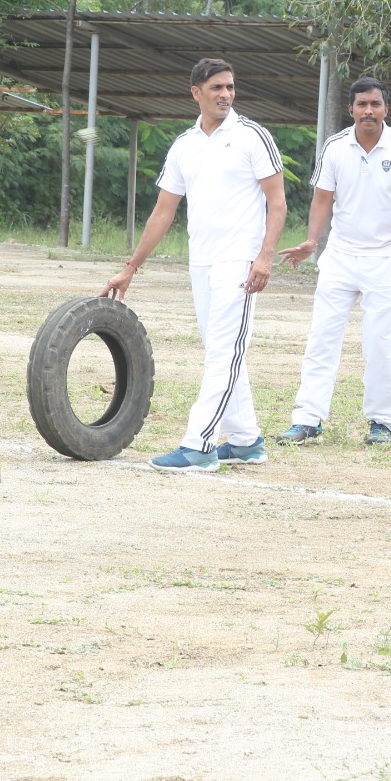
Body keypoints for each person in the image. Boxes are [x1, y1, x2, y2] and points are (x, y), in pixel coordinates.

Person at [101, 58, 287, 472]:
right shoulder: (184, 145)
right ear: (196, 93)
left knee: (222, 353)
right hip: (201, 262)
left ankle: (199, 446)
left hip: (240, 262)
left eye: (230, 87)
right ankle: (246, 442)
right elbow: (163, 211)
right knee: (223, 350)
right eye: (217, 87)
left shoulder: (253, 136)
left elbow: (277, 202)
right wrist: (131, 267)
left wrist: (264, 257)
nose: (226, 94)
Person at [276, 76, 391, 446]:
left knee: (383, 344)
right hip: (341, 256)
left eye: (375, 104)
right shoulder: (335, 147)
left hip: (387, 260)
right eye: (362, 105)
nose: (368, 111)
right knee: (321, 339)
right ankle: (307, 419)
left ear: (386, 109)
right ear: (351, 109)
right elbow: (322, 199)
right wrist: (312, 240)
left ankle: (382, 422)